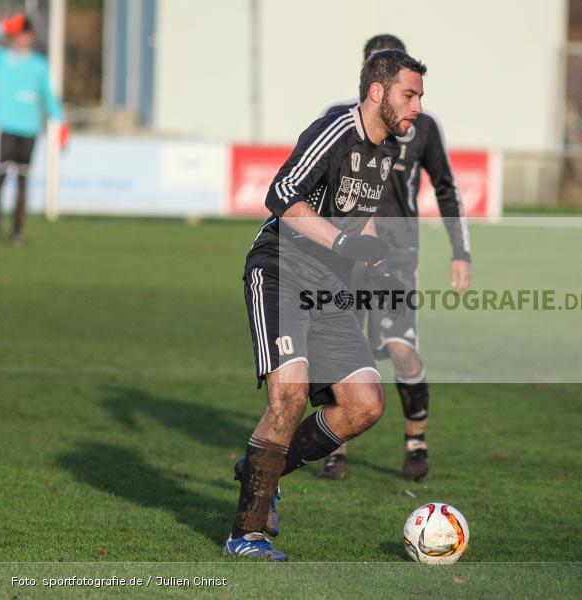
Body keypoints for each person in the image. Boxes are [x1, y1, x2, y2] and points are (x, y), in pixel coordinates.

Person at [224, 49, 427, 561]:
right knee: (288, 399)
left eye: (420, 96)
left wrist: (379, 258)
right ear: (378, 92)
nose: (418, 107)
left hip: (329, 286)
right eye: (410, 94)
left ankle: (260, 470)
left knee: (365, 405)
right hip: (280, 271)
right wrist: (342, 244)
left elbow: (361, 219)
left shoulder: (386, 151)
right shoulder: (335, 130)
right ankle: (245, 533)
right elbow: (283, 194)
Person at [316, 34, 471, 483]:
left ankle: (416, 443)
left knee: (402, 351)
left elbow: (446, 186)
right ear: (370, 78)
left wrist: (460, 252)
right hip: (342, 256)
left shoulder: (422, 126)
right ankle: (335, 449)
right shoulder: (337, 121)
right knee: (339, 354)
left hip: (397, 257)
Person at [0, 12, 66, 246]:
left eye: (24, 35)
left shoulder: (38, 66)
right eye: (17, 35)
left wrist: (61, 122)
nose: (20, 39)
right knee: (1, 178)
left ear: (32, 37)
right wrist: (4, 27)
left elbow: (48, 96)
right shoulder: (2, 59)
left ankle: (17, 232)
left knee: (23, 181)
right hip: (5, 126)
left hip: (29, 129)